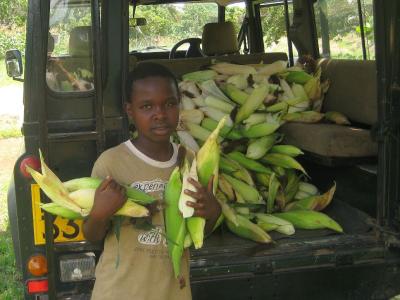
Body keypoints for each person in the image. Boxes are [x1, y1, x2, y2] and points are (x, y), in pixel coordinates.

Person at [83, 62, 221, 300]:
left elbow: (198, 233)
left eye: (169, 104)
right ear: (130, 111)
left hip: (173, 292)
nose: (160, 114)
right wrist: (99, 214)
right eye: (147, 106)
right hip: (119, 292)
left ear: (179, 105)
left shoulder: (189, 160)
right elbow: (92, 235)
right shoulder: (111, 163)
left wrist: (213, 212)